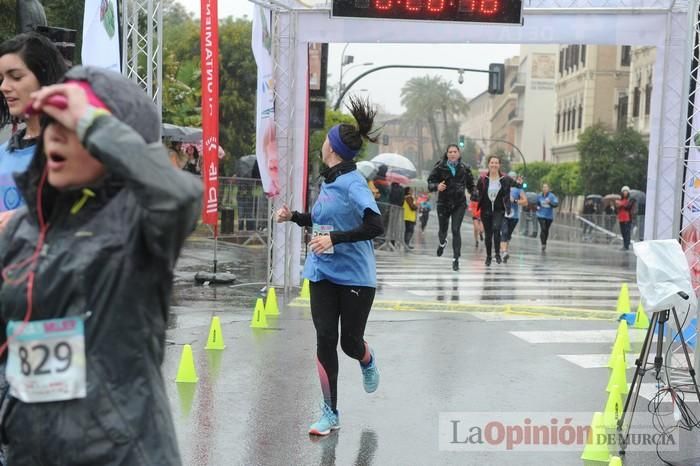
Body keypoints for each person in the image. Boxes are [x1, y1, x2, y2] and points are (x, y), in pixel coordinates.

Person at [0, 66, 201, 464]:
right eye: (52, 122)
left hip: (120, 452)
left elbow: (179, 197)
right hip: (30, 451)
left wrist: (91, 119)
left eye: (73, 125)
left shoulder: (139, 219)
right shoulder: (23, 228)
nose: (56, 134)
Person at [275, 96, 382, 437]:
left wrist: (335, 239)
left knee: (349, 343)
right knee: (324, 340)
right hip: (321, 272)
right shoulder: (329, 181)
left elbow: (374, 226)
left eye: (325, 140)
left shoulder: (354, 183)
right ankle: (329, 412)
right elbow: (320, 223)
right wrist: (294, 217)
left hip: (355, 277)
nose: (321, 145)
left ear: (333, 149)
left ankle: (365, 358)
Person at [0, 32, 67, 219]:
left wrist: (21, 223)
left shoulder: (74, 154)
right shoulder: (3, 154)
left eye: (16, 77)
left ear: (44, 77)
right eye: (2, 78)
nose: (4, 86)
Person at [427, 144, 475, 271]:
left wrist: (475, 194)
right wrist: (436, 186)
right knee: (443, 230)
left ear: (459, 154)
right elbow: (430, 183)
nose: (453, 154)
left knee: (455, 230)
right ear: (447, 154)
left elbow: (471, 185)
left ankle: (456, 259)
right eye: (450, 152)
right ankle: (442, 243)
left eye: (455, 151)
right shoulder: (440, 167)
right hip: (443, 203)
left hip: (459, 203)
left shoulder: (465, 168)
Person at [476, 155, 517, 266]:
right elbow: (477, 192)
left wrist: (520, 182)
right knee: (488, 235)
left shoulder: (505, 179)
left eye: (496, 163)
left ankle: (497, 254)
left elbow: (517, 184)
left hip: (499, 210)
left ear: (499, 165)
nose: (494, 165)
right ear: (488, 164)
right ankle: (489, 256)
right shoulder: (483, 179)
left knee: (496, 229)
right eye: (492, 162)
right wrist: (475, 197)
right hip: (486, 210)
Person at [500, 173, 527, 263]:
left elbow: (525, 202)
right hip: (503, 214)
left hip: (514, 216)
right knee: (504, 232)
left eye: (513, 178)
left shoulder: (519, 189)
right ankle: (504, 252)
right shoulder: (502, 187)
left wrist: (514, 201)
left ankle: (505, 252)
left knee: (508, 235)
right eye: (509, 177)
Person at [536, 183, 559, 252]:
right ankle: (543, 244)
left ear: (549, 189)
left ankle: (544, 242)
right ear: (542, 188)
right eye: (543, 187)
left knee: (546, 230)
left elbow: (556, 204)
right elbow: (536, 203)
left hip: (549, 217)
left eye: (546, 187)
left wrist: (549, 203)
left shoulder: (552, 196)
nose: (545, 189)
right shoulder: (539, 195)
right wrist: (537, 207)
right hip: (540, 215)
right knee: (543, 228)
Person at [616, 186, 636, 250]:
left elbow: (628, 207)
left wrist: (621, 204)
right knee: (623, 232)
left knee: (627, 232)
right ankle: (624, 244)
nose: (625, 193)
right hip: (621, 218)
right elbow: (617, 210)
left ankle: (626, 245)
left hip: (627, 218)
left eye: (626, 191)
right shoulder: (620, 200)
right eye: (624, 191)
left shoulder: (631, 199)